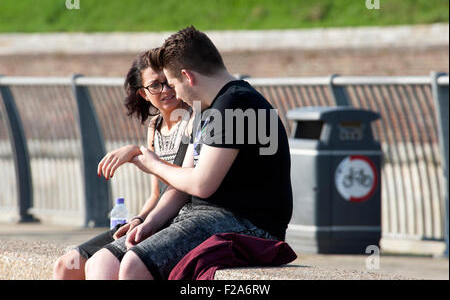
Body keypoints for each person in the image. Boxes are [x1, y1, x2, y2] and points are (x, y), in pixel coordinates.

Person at [84, 26, 293, 280]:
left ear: (187, 76)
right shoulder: (207, 107)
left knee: (133, 265)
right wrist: (150, 222)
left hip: (248, 226)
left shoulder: (237, 104)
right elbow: (184, 184)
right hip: (201, 216)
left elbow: (202, 184)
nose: (175, 93)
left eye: (172, 84)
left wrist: (153, 164)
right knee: (102, 264)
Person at [53, 48, 192, 279]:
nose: (165, 90)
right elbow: (156, 194)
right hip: (150, 218)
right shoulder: (154, 127)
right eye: (155, 85)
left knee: (103, 266)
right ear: (144, 94)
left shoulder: (192, 120)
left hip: (176, 221)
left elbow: (186, 183)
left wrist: (136, 152)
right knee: (66, 265)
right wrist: (138, 219)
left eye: (168, 82)